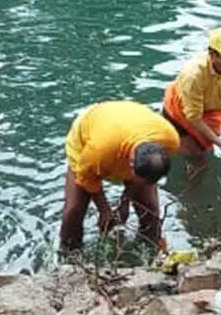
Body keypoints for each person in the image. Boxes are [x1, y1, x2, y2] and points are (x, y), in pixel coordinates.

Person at [60, 100, 180, 253]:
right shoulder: (99, 151)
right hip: (88, 136)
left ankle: (150, 252)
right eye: (141, 180)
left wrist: (125, 203)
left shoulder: (170, 141)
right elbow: (86, 177)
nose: (145, 185)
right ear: (130, 165)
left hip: (127, 121)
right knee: (73, 211)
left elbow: (145, 180)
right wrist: (104, 210)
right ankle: (68, 256)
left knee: (150, 210)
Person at [162, 27, 221, 171]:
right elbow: (193, 117)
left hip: (209, 110)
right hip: (180, 111)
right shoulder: (194, 75)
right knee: (195, 156)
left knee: (206, 152)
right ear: (212, 54)